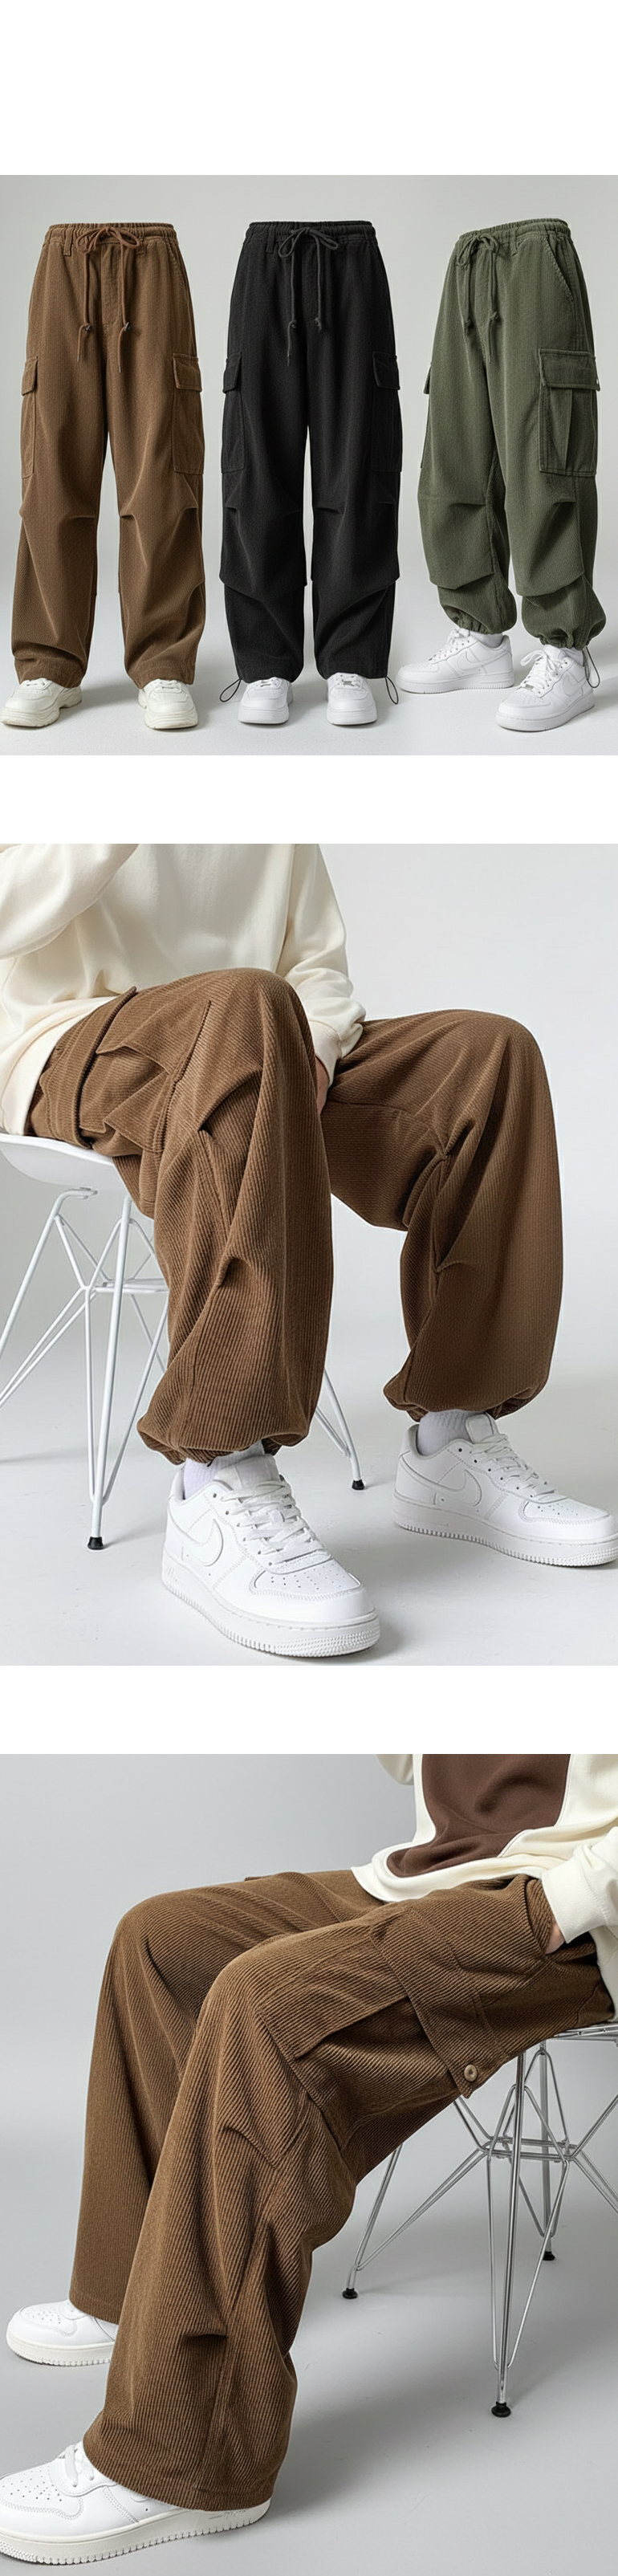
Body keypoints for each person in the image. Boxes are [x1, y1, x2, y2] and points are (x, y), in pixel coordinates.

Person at [0, 842, 616, 1662]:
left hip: (263, 1044)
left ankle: (453, 1441)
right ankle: (219, 1476)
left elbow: (317, 966)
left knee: (487, 1056)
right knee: (243, 1005)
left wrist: (314, 1053)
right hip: (76, 1044)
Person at [1, 1753, 616, 2561]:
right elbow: (409, 1760)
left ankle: (187, 2456)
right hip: (433, 1875)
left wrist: (568, 1901)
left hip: (566, 1910)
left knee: (267, 2006)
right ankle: (135, 2294)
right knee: (158, 1940)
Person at [397, 220, 604, 735]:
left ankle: (567, 655)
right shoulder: (464, 256)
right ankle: (480, 636)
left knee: (544, 465)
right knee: (456, 457)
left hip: (538, 260)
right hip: (467, 264)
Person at [2, 226, 205, 735]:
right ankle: (50, 664)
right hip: (65, 266)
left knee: (161, 481)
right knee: (51, 481)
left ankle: (162, 664)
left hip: (153, 266)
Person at [220, 223, 402, 730]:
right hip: (264, 267)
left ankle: (349, 659)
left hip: (354, 268)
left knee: (358, 472)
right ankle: (266, 664)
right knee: (256, 477)